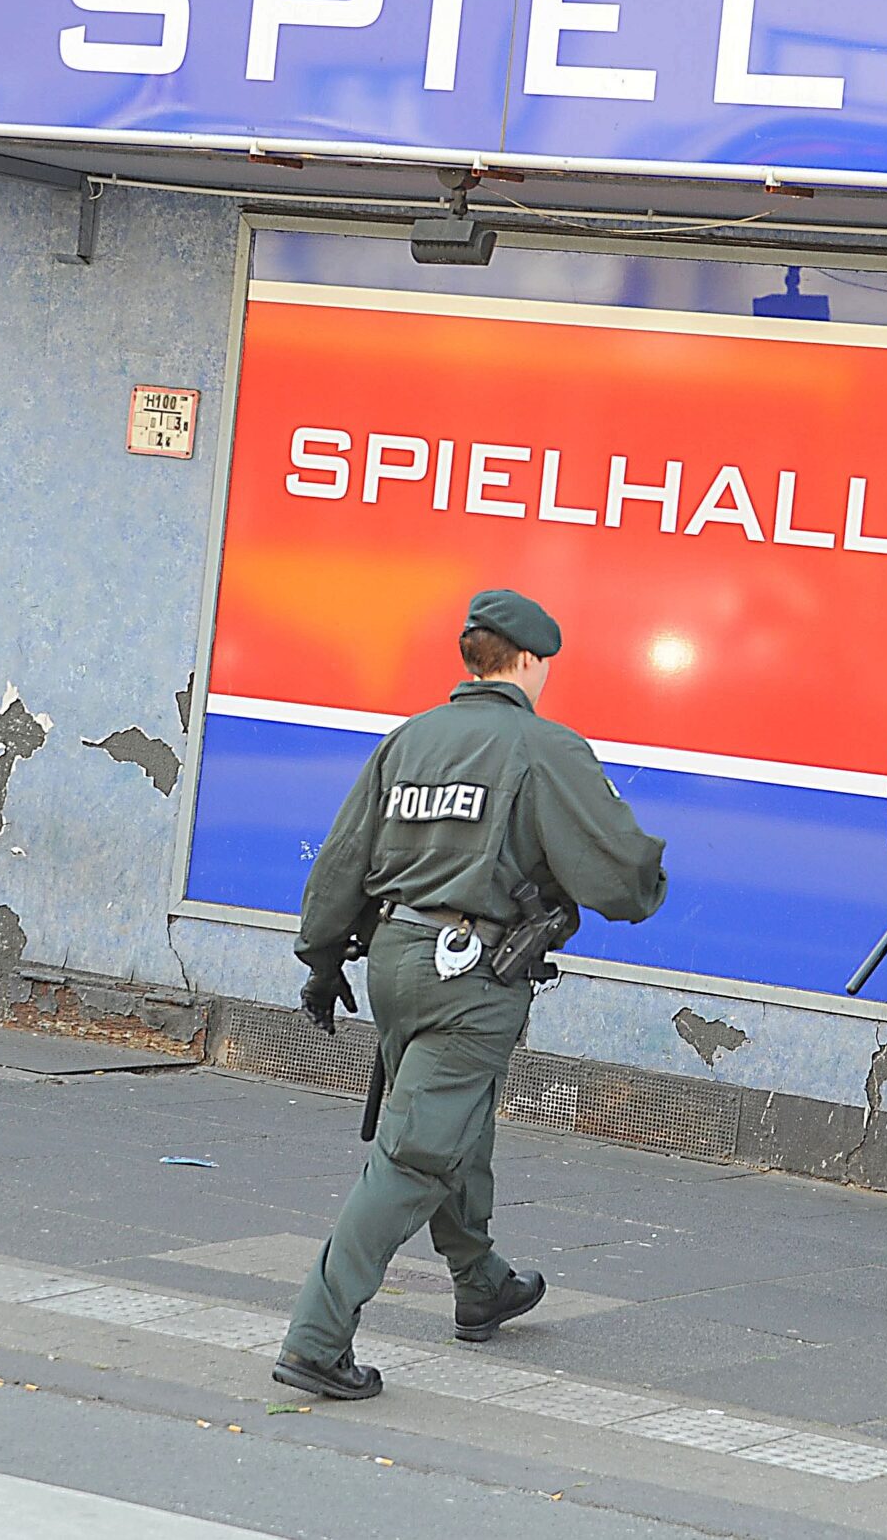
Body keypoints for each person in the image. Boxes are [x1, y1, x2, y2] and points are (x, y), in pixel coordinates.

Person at [274, 589, 669, 1401]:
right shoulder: (540, 746)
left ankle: (479, 1279)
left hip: (392, 962)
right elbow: (626, 875)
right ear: (528, 660)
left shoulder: (410, 738)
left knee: (451, 1116)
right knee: (417, 1152)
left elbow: (344, 858)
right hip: (474, 973)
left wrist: (321, 961)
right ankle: (317, 1337)